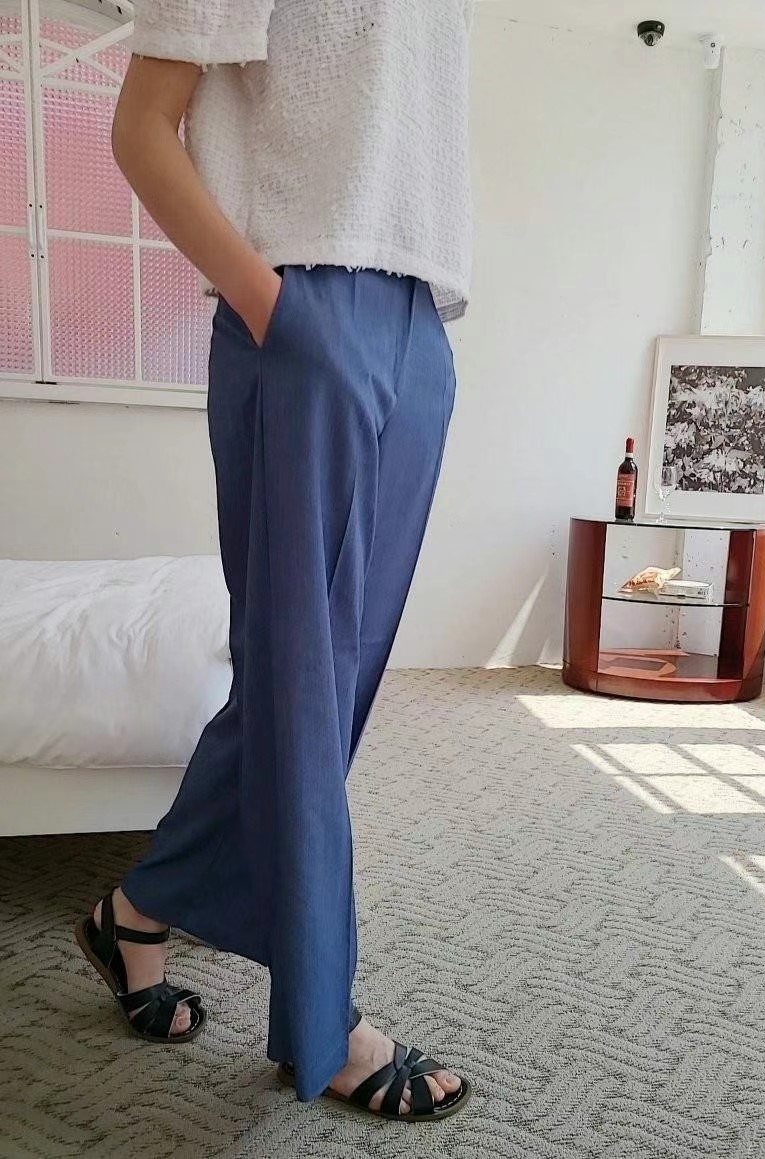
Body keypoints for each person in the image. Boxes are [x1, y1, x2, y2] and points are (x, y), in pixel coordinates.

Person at [74, 0, 473, 1122]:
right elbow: (142, 127)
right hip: (302, 304)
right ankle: (321, 1025)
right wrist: (277, 312)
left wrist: (408, 341)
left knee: (324, 688)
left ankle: (135, 912)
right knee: (300, 685)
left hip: (419, 319)